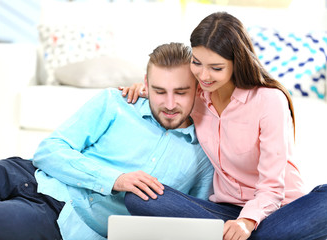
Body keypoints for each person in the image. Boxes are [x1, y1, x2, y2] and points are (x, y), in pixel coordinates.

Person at [121, 12, 327, 240]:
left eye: (216, 68)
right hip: (225, 212)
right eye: (197, 63)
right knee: (139, 196)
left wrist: (247, 222)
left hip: (280, 210)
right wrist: (147, 89)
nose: (204, 75)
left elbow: (271, 188)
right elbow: (169, 94)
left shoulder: (269, 100)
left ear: (237, 63)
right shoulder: (196, 95)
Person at [0, 42, 214, 240]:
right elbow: (48, 151)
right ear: (146, 83)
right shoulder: (117, 102)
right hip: (26, 173)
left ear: (197, 89)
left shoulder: (203, 157)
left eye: (181, 92)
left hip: (60, 215)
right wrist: (115, 179)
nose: (170, 104)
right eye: (160, 91)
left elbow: (194, 224)